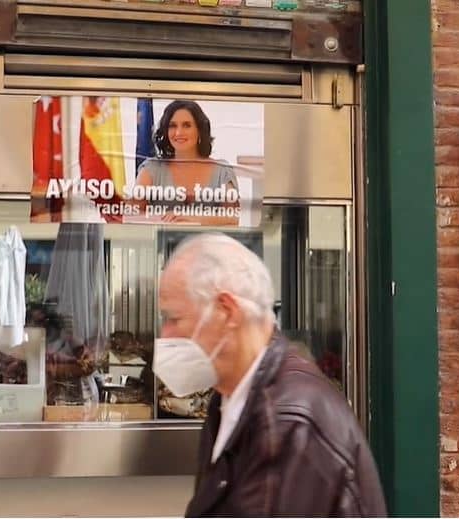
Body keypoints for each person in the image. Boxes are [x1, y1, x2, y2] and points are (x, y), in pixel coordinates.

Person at [153, 233, 387, 517]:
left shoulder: (288, 423)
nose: (165, 336)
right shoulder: (229, 400)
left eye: (174, 318)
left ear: (227, 312)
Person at [132, 100, 240, 226]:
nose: (178, 133)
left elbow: (233, 219)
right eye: (172, 126)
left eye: (186, 125)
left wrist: (192, 218)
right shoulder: (151, 169)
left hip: (209, 244)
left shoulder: (222, 171)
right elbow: (132, 216)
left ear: (199, 130)